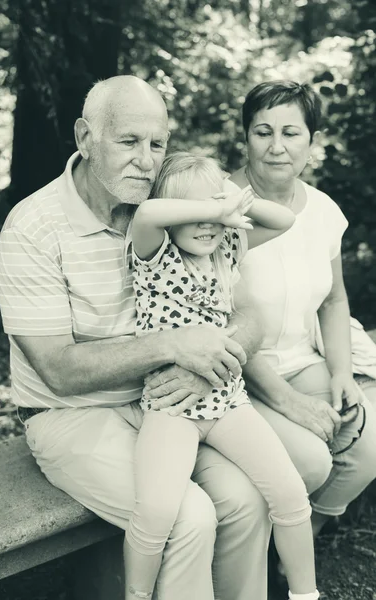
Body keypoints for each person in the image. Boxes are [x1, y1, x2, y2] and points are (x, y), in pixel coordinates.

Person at [0, 75, 275, 600]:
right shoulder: (30, 228)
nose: (146, 161)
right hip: (70, 415)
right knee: (185, 517)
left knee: (247, 498)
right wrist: (174, 347)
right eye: (128, 141)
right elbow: (58, 368)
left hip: (169, 403)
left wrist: (209, 362)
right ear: (85, 138)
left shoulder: (174, 206)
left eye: (157, 144)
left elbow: (249, 313)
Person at [143, 79, 376, 595]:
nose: (277, 146)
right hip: (243, 374)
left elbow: (335, 300)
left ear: (312, 141)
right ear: (244, 137)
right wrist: (291, 402)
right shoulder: (209, 207)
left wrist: (341, 374)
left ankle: (295, 545)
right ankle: (278, 551)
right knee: (313, 461)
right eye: (262, 131)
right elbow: (226, 321)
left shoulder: (325, 209)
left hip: (304, 356)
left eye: (292, 132)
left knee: (369, 441)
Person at [125, 151, 320, 600]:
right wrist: (214, 206)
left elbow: (284, 218)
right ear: (178, 216)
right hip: (172, 408)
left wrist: (227, 201)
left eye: (217, 205)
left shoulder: (228, 244)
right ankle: (135, 596)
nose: (210, 220)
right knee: (156, 510)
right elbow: (149, 211)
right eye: (195, 210)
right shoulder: (154, 252)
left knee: (290, 494)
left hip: (228, 402)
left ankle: (306, 595)